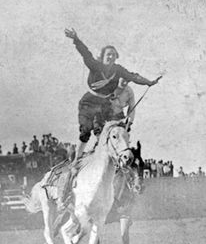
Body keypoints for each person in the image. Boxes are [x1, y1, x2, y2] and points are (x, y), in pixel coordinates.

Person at [64, 28, 159, 163]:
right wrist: (76, 39)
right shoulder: (95, 65)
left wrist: (149, 82)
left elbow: (134, 77)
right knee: (86, 131)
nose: (111, 57)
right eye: (108, 54)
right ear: (103, 56)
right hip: (89, 103)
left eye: (114, 55)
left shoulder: (118, 70)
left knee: (108, 132)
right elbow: (85, 53)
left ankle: (107, 159)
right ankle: (75, 162)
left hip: (104, 104)